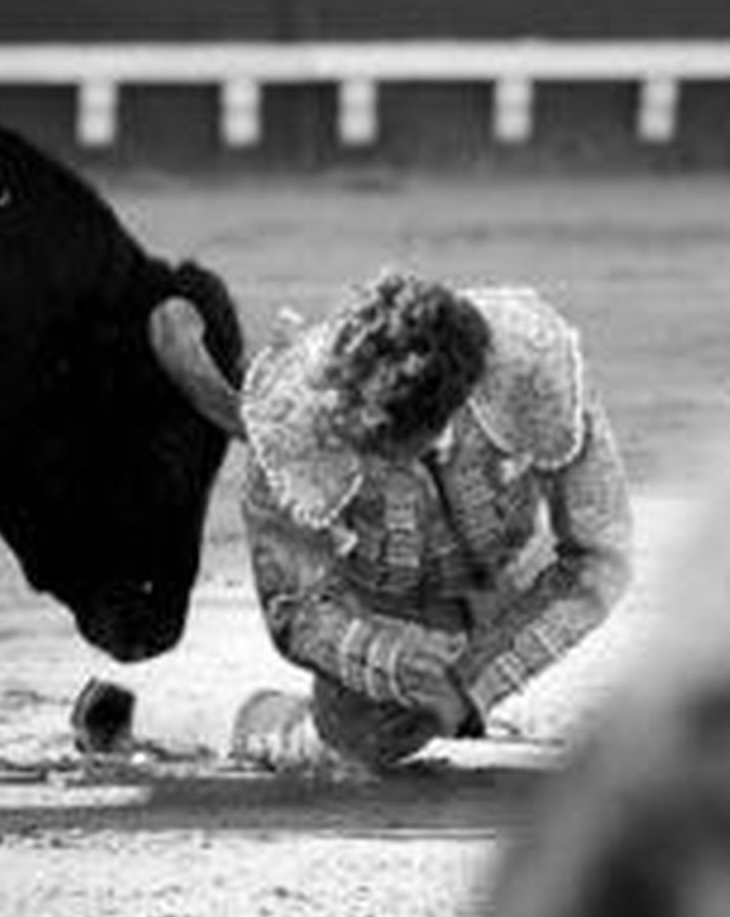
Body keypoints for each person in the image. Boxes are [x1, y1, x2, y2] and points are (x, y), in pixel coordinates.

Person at [231, 270, 633, 774]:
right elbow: (296, 607)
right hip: (383, 611)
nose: (390, 459)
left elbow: (601, 556)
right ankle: (277, 727)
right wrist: (400, 670)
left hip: (521, 573)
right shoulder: (292, 419)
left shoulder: (531, 364)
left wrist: (476, 683)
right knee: (356, 740)